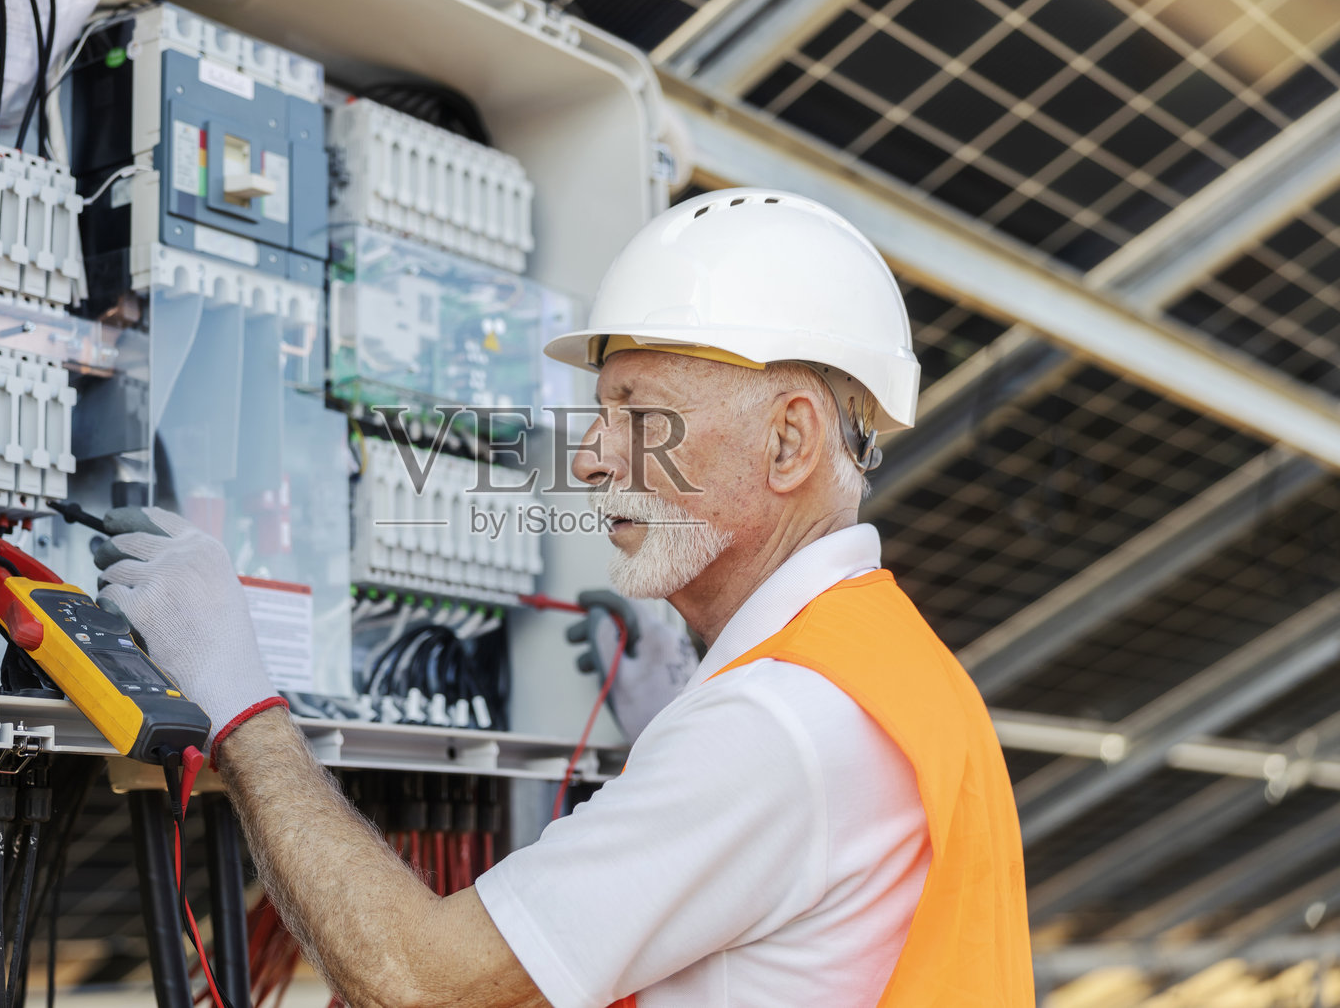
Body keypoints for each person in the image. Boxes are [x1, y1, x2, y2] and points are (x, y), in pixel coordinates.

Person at [94, 188, 1033, 1007]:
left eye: (638, 413)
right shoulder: (890, 675)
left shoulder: (776, 723)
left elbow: (418, 980)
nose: (587, 458)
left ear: (789, 443)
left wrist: (243, 708)